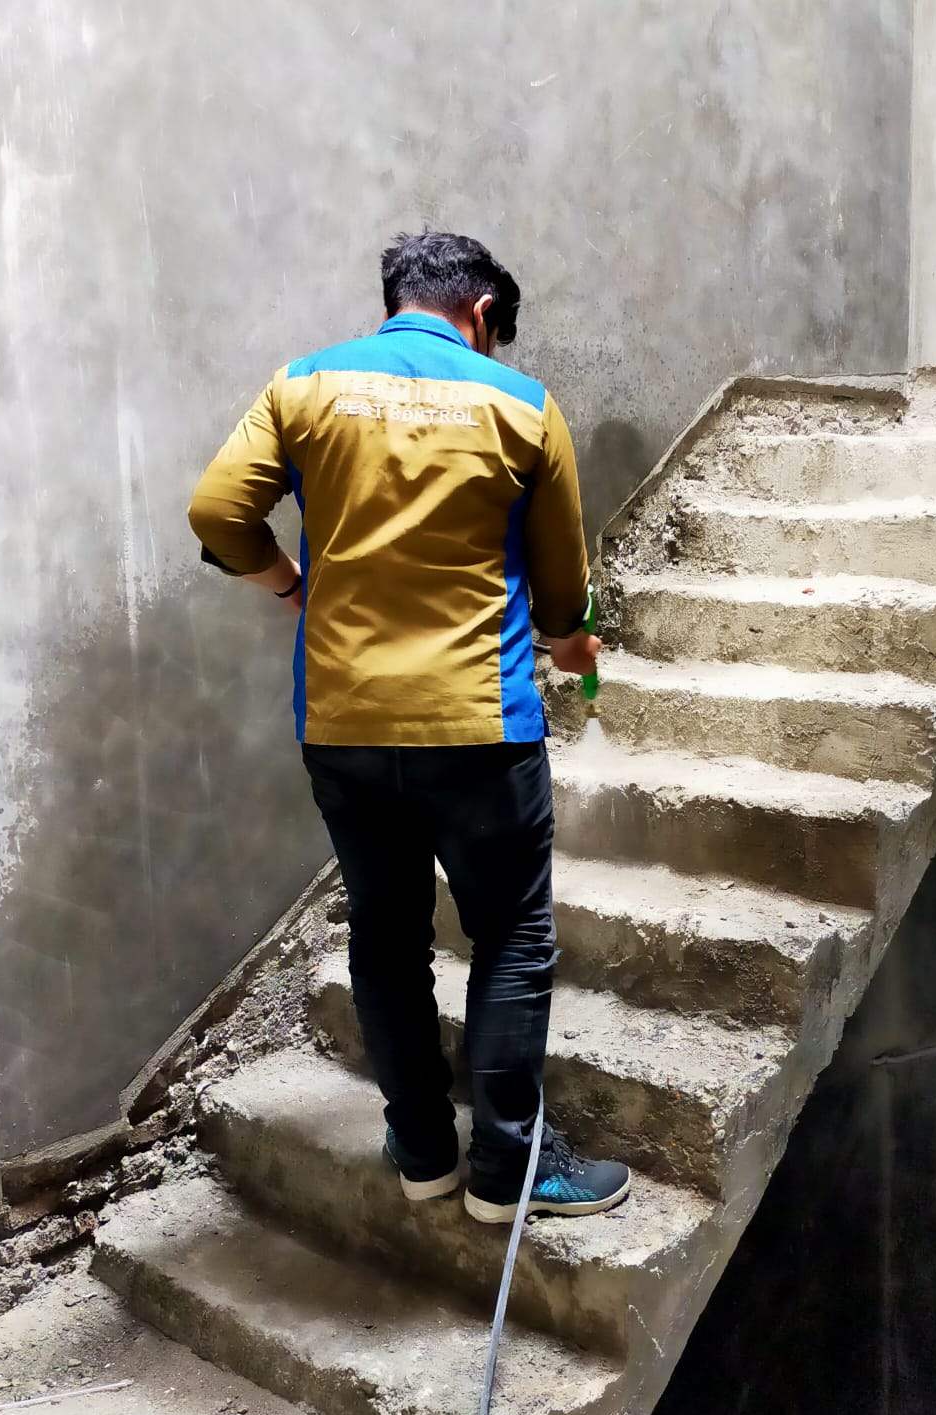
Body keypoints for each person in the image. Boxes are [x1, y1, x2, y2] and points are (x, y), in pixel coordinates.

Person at [187, 231, 630, 1223]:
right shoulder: (522, 405)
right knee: (510, 935)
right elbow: (563, 587)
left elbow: (217, 511)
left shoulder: (304, 387)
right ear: (482, 313)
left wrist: (290, 584)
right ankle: (510, 1172)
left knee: (386, 939)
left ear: (399, 299)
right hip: (479, 727)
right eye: (495, 333)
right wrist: (572, 643)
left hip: (342, 724)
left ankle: (424, 1153)